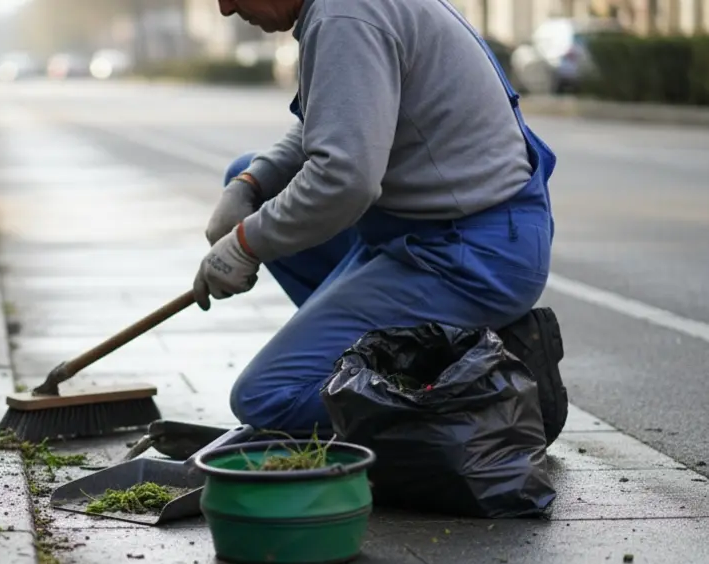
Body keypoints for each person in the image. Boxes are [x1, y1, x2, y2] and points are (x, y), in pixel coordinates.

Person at [194, 0, 568, 445]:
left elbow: (343, 181)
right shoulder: (341, 9)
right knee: (251, 179)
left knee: (268, 397)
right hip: (430, 233)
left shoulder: (344, 16)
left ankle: (492, 397)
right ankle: (411, 359)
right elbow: (339, 120)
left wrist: (244, 246)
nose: (225, 8)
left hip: (468, 257)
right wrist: (251, 183)